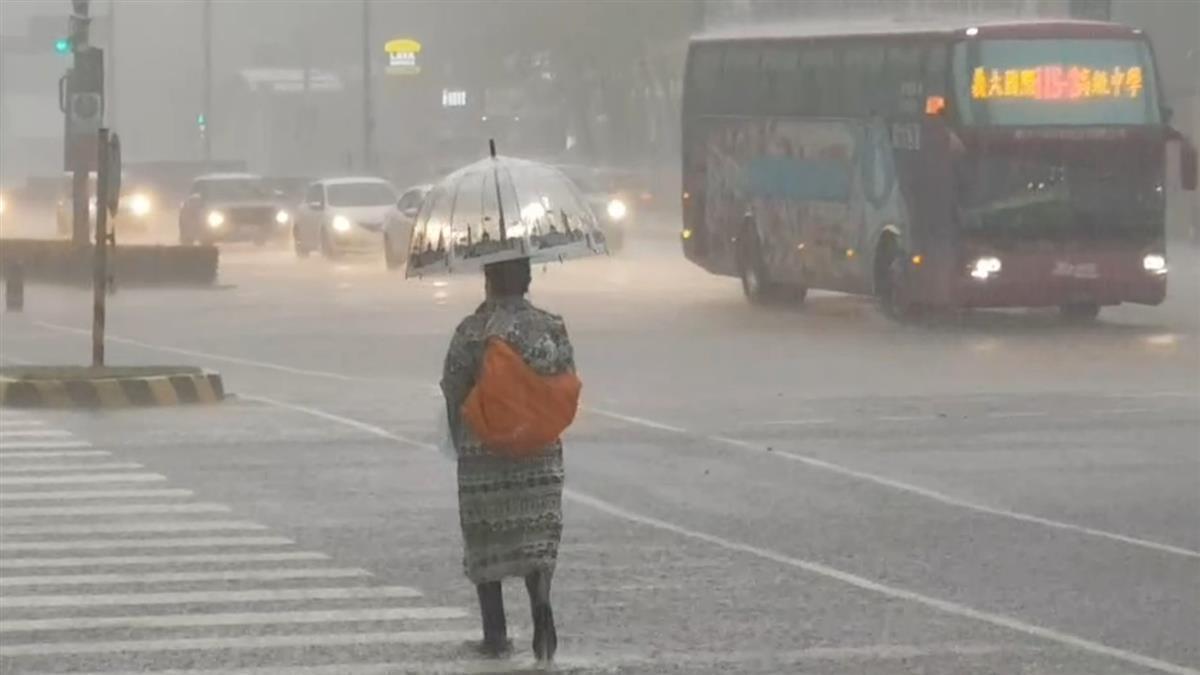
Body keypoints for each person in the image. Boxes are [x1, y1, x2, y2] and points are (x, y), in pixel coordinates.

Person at [440, 256, 574, 661]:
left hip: (485, 456)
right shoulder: (550, 327)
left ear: (488, 281)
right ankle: (541, 605)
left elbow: (452, 388)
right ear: (528, 280)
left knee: (486, 539)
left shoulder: (473, 331)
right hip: (538, 454)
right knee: (535, 539)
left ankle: (495, 632)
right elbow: (565, 381)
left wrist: (460, 440)